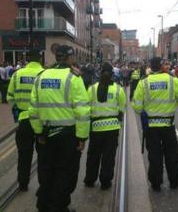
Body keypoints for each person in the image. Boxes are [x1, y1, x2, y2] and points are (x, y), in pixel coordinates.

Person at [28, 45, 90, 212]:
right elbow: (83, 111)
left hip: (46, 134)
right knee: (64, 172)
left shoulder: (41, 76)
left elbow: (33, 109)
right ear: (69, 58)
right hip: (67, 136)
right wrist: (82, 138)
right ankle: (59, 207)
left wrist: (38, 131)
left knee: (46, 171)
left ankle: (43, 205)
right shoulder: (73, 78)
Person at [132, 57, 178, 191]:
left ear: (150, 66)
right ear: (162, 66)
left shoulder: (143, 83)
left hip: (151, 126)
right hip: (168, 125)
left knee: (154, 154)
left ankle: (156, 182)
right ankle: (174, 180)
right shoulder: (173, 81)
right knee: (171, 153)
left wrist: (147, 110)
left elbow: (137, 107)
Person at [84, 62, 126, 190]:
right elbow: (122, 108)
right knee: (108, 157)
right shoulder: (118, 89)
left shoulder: (91, 89)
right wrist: (119, 124)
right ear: (112, 75)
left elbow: (86, 108)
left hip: (96, 128)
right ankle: (105, 181)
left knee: (93, 155)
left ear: (100, 73)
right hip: (112, 129)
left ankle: (90, 180)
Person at [7, 50, 44, 191]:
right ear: (40, 60)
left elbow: (10, 97)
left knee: (24, 154)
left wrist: (18, 109)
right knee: (43, 155)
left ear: (27, 60)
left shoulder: (17, 74)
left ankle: (23, 183)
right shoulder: (44, 75)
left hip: (24, 120)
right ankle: (43, 184)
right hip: (40, 121)